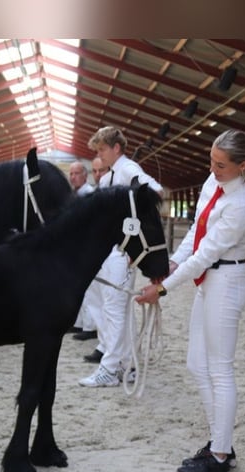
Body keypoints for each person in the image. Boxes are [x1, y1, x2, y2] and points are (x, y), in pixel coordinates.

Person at [135, 129, 245, 472]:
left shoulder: (241, 204)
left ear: (243, 165)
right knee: (197, 365)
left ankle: (220, 455)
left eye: (221, 164)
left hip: (226, 282)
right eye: (211, 161)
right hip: (207, 279)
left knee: (220, 369)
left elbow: (207, 253)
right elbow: (195, 235)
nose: (213, 169)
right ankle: (219, 441)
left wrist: (163, 289)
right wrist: (171, 264)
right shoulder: (213, 184)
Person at [79, 125, 163, 388]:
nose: (99, 155)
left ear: (116, 148)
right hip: (109, 249)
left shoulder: (127, 169)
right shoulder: (108, 177)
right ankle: (127, 364)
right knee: (114, 310)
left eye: (102, 149)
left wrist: (135, 235)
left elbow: (154, 190)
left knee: (115, 310)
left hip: (121, 251)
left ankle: (110, 368)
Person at [69, 159, 102, 341]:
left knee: (90, 289)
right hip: (75, 248)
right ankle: (79, 323)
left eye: (76, 173)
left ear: (85, 175)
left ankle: (90, 327)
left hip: (85, 247)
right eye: (71, 174)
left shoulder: (90, 194)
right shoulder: (73, 195)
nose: (73, 177)